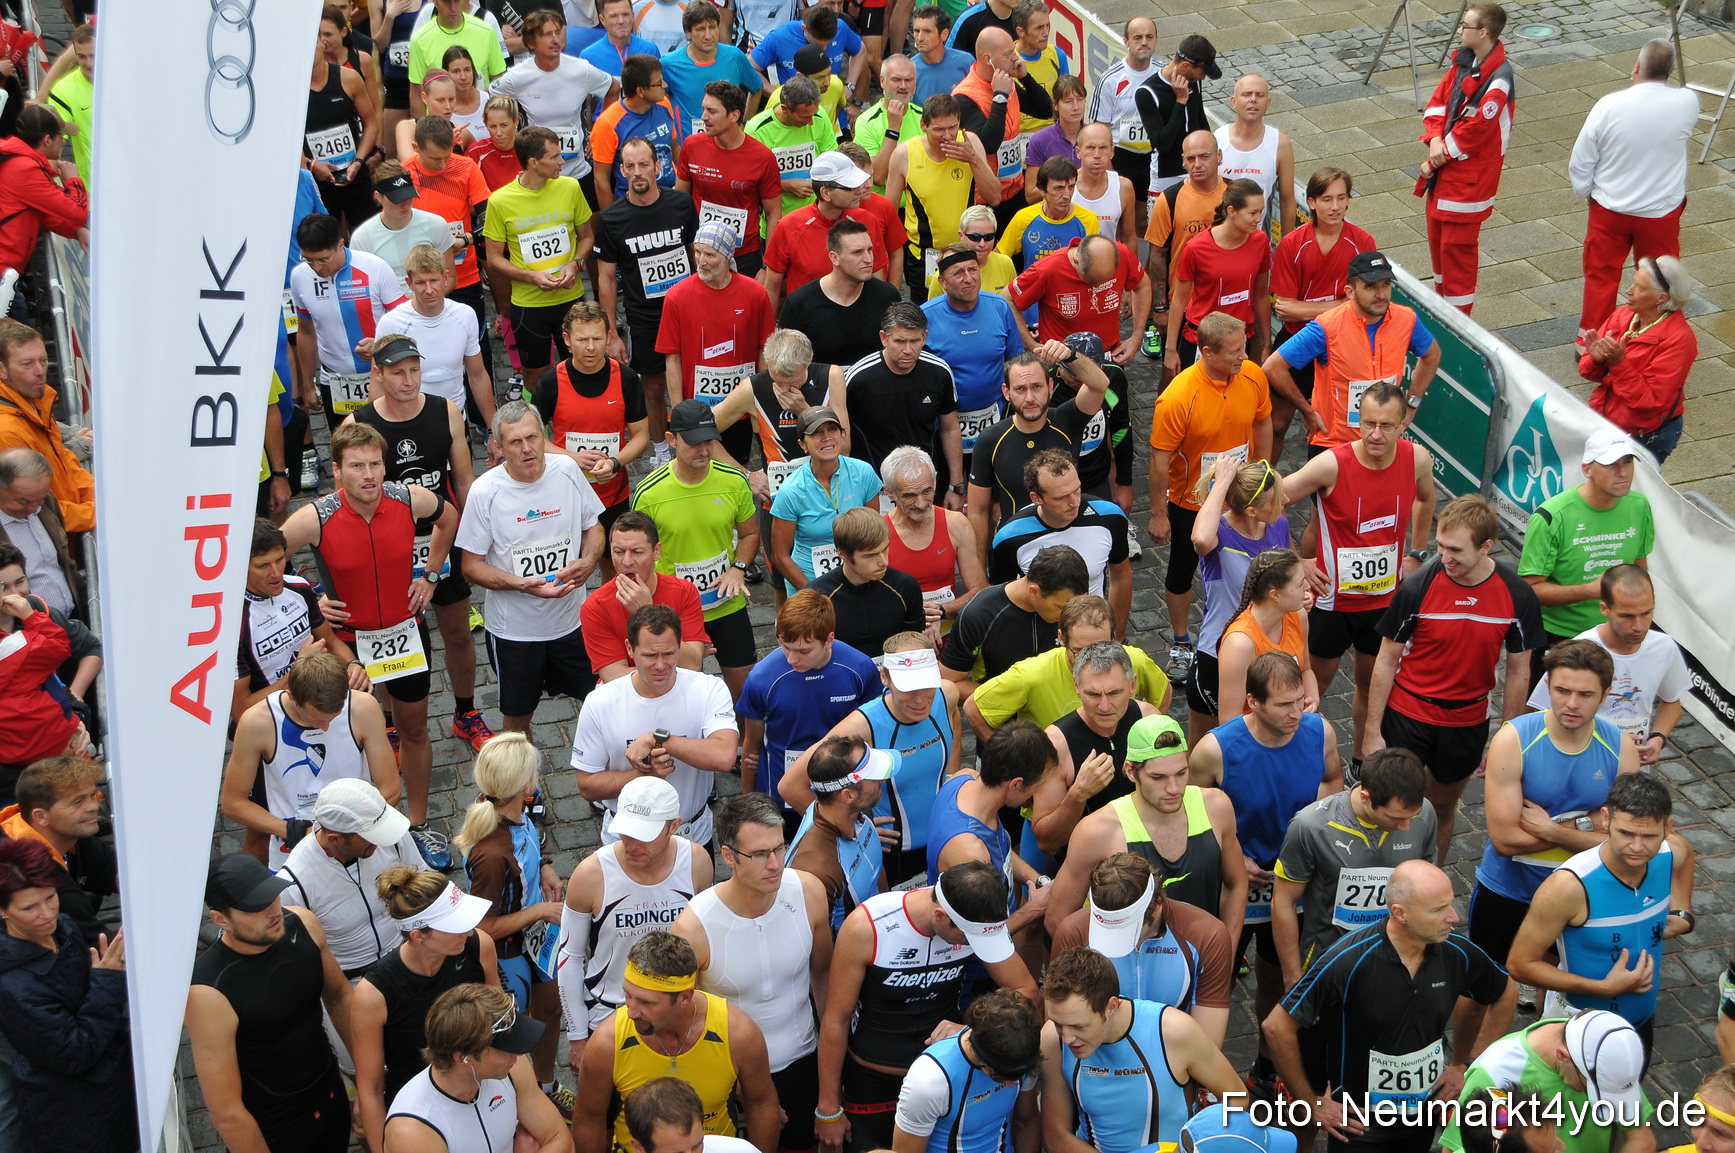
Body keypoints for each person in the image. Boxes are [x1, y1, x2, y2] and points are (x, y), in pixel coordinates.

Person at [1263, 860, 1515, 1153]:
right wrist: (1311, 1101)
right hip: (1360, 1123)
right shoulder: (1348, 960)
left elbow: (1503, 991)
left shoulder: (1457, 952)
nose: (1454, 917)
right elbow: (1276, 1027)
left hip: (1423, 1112)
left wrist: (1465, 1066)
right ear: (1400, 913)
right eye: (1438, 910)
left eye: (1450, 904)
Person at [814, 862, 1038, 1153]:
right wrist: (828, 1108)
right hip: (873, 1083)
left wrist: (976, 1031)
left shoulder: (977, 922)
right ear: (940, 916)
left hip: (947, 1078)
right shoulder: (868, 926)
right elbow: (836, 1019)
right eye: (970, 938)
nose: (975, 945)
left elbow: (1027, 993)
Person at [1364, 496, 1543, 858]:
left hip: (1466, 722)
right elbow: (1386, 659)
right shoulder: (1416, 587)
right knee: (1392, 809)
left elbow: (1520, 670)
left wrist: (1508, 740)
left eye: (1456, 551)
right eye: (1440, 547)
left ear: (1486, 547)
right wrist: (1371, 731)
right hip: (1408, 715)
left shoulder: (1517, 595)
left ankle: (1431, 876)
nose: (1444, 559)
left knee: (1442, 809)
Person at [345, 334, 492, 751]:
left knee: (459, 634)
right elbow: (345, 499)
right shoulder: (358, 425)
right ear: (378, 373)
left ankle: (466, 712)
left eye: (414, 370)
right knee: (390, 643)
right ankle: (392, 723)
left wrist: (476, 534)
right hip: (388, 552)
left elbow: (463, 479)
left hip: (442, 540)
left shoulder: (444, 411)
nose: (408, 381)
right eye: (397, 372)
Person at [1280, 382, 1437, 763]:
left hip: (1384, 601)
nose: (1376, 435)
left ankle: (1359, 763)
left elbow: (1426, 497)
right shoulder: (1332, 463)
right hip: (1333, 603)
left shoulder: (1416, 459)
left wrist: (1415, 552)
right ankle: (1299, 761)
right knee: (1311, 688)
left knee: (1371, 686)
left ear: (1403, 425)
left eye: (1386, 425)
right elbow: (1271, 501)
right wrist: (1294, 560)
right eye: (1368, 424)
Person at [673, 793, 834, 1153]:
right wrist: (752, 1094)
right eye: (760, 854)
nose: (775, 863)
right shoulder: (694, 927)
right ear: (728, 856)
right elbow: (685, 1018)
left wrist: (831, 1075)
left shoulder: (808, 891)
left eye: (780, 848)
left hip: (802, 1058)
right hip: (731, 1077)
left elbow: (823, 979)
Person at [1469, 640, 1640, 972]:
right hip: (1510, 890)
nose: (1571, 704)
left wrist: (1551, 829)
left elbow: (1627, 842)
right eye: (1562, 691)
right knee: (1481, 987)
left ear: (1605, 695)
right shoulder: (1514, 739)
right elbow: (1505, 841)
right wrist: (1588, 824)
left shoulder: (1620, 748)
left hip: (1582, 892)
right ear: (1547, 686)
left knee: (1562, 985)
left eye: (1586, 695)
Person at [1508, 773, 1692, 1049]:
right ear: (1606, 819)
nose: (1637, 847)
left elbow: (1687, 856)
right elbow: (1520, 965)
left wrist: (1682, 914)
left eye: (1649, 836)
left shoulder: (1671, 851)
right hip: (1576, 1029)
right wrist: (1603, 988)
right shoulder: (1568, 887)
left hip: (1640, 1023)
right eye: (1626, 833)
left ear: (1668, 828)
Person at [187, 855, 355, 1153]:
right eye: (255, 907)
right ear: (220, 919)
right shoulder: (208, 991)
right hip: (277, 1131)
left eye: (272, 896)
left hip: (330, 1096)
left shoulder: (303, 922)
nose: (272, 910)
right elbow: (227, 1113)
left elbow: (341, 998)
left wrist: (368, 1087)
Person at [458, 399, 608, 731]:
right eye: (515, 442)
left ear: (544, 436)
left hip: (574, 623)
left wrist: (588, 560)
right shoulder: (485, 493)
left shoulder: (567, 471)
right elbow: (471, 566)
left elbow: (594, 527)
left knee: (605, 703)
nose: (527, 449)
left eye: (533, 437)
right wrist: (521, 584)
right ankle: (523, 784)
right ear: (498, 446)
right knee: (516, 723)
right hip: (516, 633)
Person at [572, 930, 783, 1153]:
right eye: (628, 995)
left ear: (685, 997)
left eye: (647, 1002)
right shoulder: (608, 1042)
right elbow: (589, 1119)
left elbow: (761, 1104)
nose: (631, 1011)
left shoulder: (737, 1033)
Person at [781, 631, 964, 885]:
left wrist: (952, 775)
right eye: (908, 689)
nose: (920, 700)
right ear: (885, 677)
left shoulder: (947, 694)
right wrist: (853, 830)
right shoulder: (862, 725)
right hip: (895, 856)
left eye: (925, 684)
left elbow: (954, 718)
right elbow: (790, 786)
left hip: (947, 837)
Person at [1147, 311, 1273, 671]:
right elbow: (1158, 462)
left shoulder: (1252, 376)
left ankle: (1248, 629)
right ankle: (1182, 642)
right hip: (1192, 502)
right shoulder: (1177, 398)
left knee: (1249, 564)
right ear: (1206, 352)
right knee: (1182, 568)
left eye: (1244, 347)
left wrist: (1264, 473)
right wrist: (1159, 514)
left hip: (1241, 495)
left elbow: (1263, 421)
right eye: (1234, 351)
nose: (1243, 357)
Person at [1045, 713, 1244, 934]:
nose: (1173, 788)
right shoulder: (1098, 831)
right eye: (1158, 777)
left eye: (1181, 773)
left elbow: (1236, 885)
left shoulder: (1216, 807)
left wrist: (1225, 954)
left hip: (1202, 961)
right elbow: (1057, 920)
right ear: (1131, 771)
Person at [556, 775, 711, 1053]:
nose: (632, 844)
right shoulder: (590, 874)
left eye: (645, 835)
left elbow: (705, 943)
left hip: (676, 1014)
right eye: (627, 832)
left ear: (674, 826)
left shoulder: (697, 862)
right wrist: (577, 1035)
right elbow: (570, 956)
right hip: (610, 1013)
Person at [452, 734, 568, 1103]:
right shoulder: (490, 855)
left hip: (536, 939)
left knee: (550, 1010)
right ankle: (518, 1101)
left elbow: (529, 841)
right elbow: (481, 927)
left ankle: (547, 1087)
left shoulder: (509, 808)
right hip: (508, 955)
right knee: (511, 1035)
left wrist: (545, 867)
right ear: (525, 784)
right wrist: (539, 911)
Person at [1036, 946, 1243, 1153]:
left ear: (1111, 1007)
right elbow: (1056, 1135)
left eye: (1079, 1027)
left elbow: (1238, 1098)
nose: (1067, 1037)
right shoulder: (1052, 1040)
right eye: (1058, 1024)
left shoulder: (1174, 1031)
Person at [351, 866, 500, 1153]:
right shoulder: (373, 994)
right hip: (419, 1114)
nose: (468, 930)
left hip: (482, 1088)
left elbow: (502, 1025)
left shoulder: (479, 945)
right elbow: (370, 1089)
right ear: (419, 935)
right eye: (457, 925)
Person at [572, 603, 741, 849]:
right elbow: (587, 784)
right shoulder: (600, 701)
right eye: (650, 655)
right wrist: (643, 774)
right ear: (630, 648)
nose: (661, 665)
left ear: (680, 646)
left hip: (689, 838)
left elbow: (725, 757)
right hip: (625, 841)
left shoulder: (708, 689)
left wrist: (658, 740)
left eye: (670, 654)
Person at [1269, 747, 1438, 989]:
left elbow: (1425, 888)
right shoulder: (1311, 827)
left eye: (1413, 815)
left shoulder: (1425, 815)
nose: (1406, 827)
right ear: (1366, 798)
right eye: (1395, 818)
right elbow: (1283, 902)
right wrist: (1293, 978)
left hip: (1396, 960)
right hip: (1329, 962)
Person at [0, 838, 127, 1153]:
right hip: (73, 1115)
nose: (47, 913)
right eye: (29, 907)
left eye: (51, 897)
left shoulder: (64, 926)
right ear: (3, 911)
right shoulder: (12, 984)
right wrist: (107, 981)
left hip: (113, 1089)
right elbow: (74, 1053)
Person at [220, 652, 402, 871]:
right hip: (296, 851)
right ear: (291, 695)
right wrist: (291, 830)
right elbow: (233, 803)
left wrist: (345, 831)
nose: (325, 727)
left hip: (355, 837)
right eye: (315, 719)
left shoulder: (363, 707)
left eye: (333, 718)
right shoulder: (257, 722)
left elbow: (390, 789)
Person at [631, 400, 762, 697]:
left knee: (747, 694)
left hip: (726, 604)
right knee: (681, 695)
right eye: (693, 443)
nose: (703, 450)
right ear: (671, 439)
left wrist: (738, 568)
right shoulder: (649, 493)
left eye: (709, 441)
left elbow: (750, 533)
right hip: (674, 613)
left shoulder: (733, 481)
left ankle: (747, 745)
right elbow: (637, 554)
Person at [1571, 41, 1698, 347]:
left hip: (1609, 210)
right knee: (1659, 281)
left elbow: (1581, 160)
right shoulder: (1688, 101)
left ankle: (1590, 342)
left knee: (1601, 277)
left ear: (1637, 67)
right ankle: (1653, 341)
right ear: (1669, 71)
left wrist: (1587, 192)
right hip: (1659, 213)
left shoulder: (1608, 106)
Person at [1265, 248, 1439, 456]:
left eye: (1386, 285)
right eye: (1371, 287)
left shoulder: (1406, 319)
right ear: (1350, 292)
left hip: (1382, 441)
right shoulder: (1326, 326)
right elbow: (1273, 367)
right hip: (1335, 445)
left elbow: (1432, 354)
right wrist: (1307, 411)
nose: (1381, 295)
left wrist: (1411, 405)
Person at [1048, 852, 1234, 1045]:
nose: (1123, 943)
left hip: (1176, 1056)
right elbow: (1060, 1024)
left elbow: (1207, 1046)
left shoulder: (1208, 936)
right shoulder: (1073, 932)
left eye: (1129, 930)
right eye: (1108, 930)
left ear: (1158, 904)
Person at [1518, 429, 1655, 679]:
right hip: (1561, 638)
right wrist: (1591, 590)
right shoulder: (1552, 516)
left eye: (1627, 462)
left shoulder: (1639, 505)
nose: (1623, 472)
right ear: (1587, 469)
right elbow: (1530, 590)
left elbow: (1639, 569)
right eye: (1611, 465)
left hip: (1617, 633)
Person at [591, 140, 697, 454]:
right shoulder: (611, 220)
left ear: (658, 167)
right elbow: (606, 279)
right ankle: (661, 449)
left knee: (692, 381)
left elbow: (697, 253)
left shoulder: (681, 204)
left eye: (644, 164)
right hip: (645, 317)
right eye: (630, 166)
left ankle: (695, 440)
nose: (638, 173)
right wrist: (611, 333)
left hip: (688, 312)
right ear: (621, 171)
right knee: (652, 386)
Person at [738, 590, 880, 825]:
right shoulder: (761, 678)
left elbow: (874, 736)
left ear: (829, 640)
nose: (792, 659)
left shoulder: (860, 669)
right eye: (785, 646)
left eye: (804, 651)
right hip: (781, 799)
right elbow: (752, 746)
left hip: (842, 791)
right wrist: (749, 808)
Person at [1266, 168, 1378, 455]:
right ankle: (1263, 490)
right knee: (1276, 424)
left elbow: (1364, 306)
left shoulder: (1363, 243)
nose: (1336, 207)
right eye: (1327, 199)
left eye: (1342, 198)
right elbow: (1286, 309)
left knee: (1332, 433)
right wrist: (1343, 306)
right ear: (1312, 202)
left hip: (1341, 350)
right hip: (1297, 346)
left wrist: (1310, 309)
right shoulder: (1293, 243)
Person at [1527, 564, 1687, 766]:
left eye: (1646, 613)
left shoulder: (1664, 647)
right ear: (1605, 609)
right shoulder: (1579, 651)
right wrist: (1608, 742)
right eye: (1626, 616)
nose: (1638, 626)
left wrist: (1658, 738)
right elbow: (1539, 715)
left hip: (1632, 768)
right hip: (1578, 764)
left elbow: (1672, 702)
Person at [386, 987, 574, 1153]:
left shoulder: (513, 1068)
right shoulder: (413, 1130)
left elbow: (561, 1140)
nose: (517, 1055)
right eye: (504, 1048)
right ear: (462, 1057)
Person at [654, 224, 776, 480]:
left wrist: (763, 399)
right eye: (697, 252)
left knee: (736, 466)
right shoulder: (677, 296)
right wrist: (678, 411)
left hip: (740, 406)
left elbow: (764, 348)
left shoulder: (754, 293)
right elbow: (672, 357)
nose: (701, 261)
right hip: (697, 407)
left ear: (728, 256)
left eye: (710, 255)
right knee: (700, 468)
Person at [529, 302, 653, 551]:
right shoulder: (551, 382)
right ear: (566, 339)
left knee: (613, 562)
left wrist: (615, 462)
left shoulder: (627, 379)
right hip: (565, 493)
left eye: (597, 339)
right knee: (568, 563)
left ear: (608, 338)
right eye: (582, 339)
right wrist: (571, 458)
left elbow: (641, 436)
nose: (590, 347)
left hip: (613, 493)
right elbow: (532, 438)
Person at [1182, 457, 1291, 741]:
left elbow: (1289, 570)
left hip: (1268, 649)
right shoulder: (1219, 532)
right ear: (1252, 510)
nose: (1286, 499)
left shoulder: (1278, 524)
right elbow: (1201, 541)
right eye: (1276, 498)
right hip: (1217, 654)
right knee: (1208, 744)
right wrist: (1222, 483)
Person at [1417, 3, 1513, 315]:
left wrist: (1435, 159)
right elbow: (1437, 103)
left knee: (1456, 258)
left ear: (1483, 32)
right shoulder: (1464, 64)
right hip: (1446, 179)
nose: (1460, 30)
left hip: (1467, 185)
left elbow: (1474, 133)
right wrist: (1434, 139)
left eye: (1466, 25)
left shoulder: (1498, 81)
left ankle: (1460, 324)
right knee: (1440, 255)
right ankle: (1444, 316)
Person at [1439, 1013, 1654, 1153]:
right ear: (1563, 1056)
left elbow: (1641, 1138)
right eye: (1593, 1089)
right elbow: (1457, 1148)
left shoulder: (1606, 1054)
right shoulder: (1495, 1075)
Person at [289, 214, 409, 464]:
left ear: (340, 244)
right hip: (335, 380)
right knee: (347, 452)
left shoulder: (374, 268)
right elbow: (306, 330)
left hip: (379, 375)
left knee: (389, 448)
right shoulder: (300, 276)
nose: (317, 268)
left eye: (323, 259)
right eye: (309, 260)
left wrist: (380, 345)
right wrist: (307, 384)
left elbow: (404, 321)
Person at [277, 778, 425, 980]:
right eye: (370, 836)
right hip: (352, 982)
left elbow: (423, 883)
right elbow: (294, 957)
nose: (380, 840)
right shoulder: (294, 884)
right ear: (334, 838)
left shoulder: (388, 834)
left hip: (410, 958)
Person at [484, 126, 594, 376]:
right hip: (528, 305)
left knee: (581, 369)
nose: (562, 161)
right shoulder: (500, 201)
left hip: (571, 298)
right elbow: (493, 259)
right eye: (554, 156)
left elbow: (587, 237)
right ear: (534, 162)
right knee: (534, 377)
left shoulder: (571, 187)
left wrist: (575, 264)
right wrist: (531, 276)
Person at [968, 345, 1109, 536]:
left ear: (1050, 386)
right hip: (1016, 543)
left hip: (1069, 537)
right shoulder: (990, 439)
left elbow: (1100, 384)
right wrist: (977, 564)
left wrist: (1070, 355)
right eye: (1020, 389)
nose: (1029, 398)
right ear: (1006, 392)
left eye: (1036, 387)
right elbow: (978, 511)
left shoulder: (1066, 420)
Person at [989, 450, 1130, 635]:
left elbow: (1121, 576)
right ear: (1036, 498)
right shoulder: (1008, 539)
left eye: (1077, 490)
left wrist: (1117, 635)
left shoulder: (1110, 517)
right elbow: (1001, 599)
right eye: (1061, 497)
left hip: (1092, 631)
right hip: (1037, 634)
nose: (1074, 503)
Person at [892, 988, 1042, 1153]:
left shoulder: (1023, 1050)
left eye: (1018, 1075)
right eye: (1000, 1075)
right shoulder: (929, 1080)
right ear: (980, 1055)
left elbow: (1026, 1120)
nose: (1011, 1083)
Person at [885, 98, 1002, 305]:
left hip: (967, 251)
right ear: (924, 125)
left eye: (952, 127)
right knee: (928, 314)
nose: (947, 136)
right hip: (924, 256)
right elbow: (889, 213)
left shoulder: (970, 142)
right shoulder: (905, 154)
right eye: (939, 129)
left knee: (969, 308)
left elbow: (994, 197)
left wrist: (973, 159)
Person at [1581, 257, 1698, 463]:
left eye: (1639, 287)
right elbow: (1587, 371)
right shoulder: (1624, 314)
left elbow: (1649, 401)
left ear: (1661, 298)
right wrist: (1596, 360)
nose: (1628, 290)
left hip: (1642, 434)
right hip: (1607, 420)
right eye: (1633, 282)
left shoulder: (1679, 340)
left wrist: (1618, 363)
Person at [491, 9, 618, 195]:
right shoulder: (517, 76)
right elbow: (492, 95)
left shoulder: (580, 69)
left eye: (558, 33)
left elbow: (613, 88)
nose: (555, 39)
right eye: (547, 34)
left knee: (587, 224)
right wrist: (513, 133)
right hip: (539, 174)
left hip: (578, 171)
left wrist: (598, 131)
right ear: (531, 42)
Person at [843, 301, 965, 489]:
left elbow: (950, 429)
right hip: (873, 487)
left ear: (925, 337)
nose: (908, 350)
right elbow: (840, 432)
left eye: (915, 341)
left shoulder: (939, 372)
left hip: (925, 484)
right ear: (884, 338)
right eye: (900, 341)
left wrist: (956, 485)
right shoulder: (858, 377)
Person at [762, 152, 902, 313]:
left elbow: (877, 280)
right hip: (807, 324)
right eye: (850, 186)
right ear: (825, 193)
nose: (859, 190)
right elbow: (772, 287)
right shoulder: (789, 226)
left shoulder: (868, 221)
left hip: (859, 318)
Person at [374, 239, 493, 426]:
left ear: (446, 278)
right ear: (409, 283)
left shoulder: (465, 315)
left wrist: (493, 429)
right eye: (421, 282)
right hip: (410, 424)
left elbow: (477, 375)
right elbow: (378, 381)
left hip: (455, 420)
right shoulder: (391, 323)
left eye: (434, 280)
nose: (429, 290)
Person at [940, 544, 1088, 695]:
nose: (1068, 616)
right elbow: (950, 683)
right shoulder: (979, 615)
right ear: (1034, 592)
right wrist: (1014, 697)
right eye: (1060, 607)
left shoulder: (1075, 612)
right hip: (1003, 715)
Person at [0, 757, 114, 952]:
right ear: (41, 816)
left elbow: (125, 874)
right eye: (78, 801)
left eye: (92, 795)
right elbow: (106, 948)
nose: (93, 807)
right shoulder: (33, 879)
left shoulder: (67, 834)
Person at [674, 81, 785, 278]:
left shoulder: (762, 157)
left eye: (712, 111)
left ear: (734, 115)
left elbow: (773, 213)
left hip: (744, 254)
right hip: (701, 251)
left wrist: (768, 265)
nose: (703, 117)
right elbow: (679, 202)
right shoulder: (691, 146)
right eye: (703, 109)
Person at [582, 512, 710, 679]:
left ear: (656, 552)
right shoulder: (595, 607)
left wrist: (647, 610)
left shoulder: (684, 591)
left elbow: (692, 665)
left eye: (637, 552)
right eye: (619, 552)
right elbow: (615, 678)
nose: (627, 561)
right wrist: (675, 661)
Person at [786, 733, 896, 926]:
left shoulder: (857, 809)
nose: (882, 780)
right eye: (873, 776)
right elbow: (818, 948)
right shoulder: (817, 870)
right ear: (848, 795)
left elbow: (877, 874)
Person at [883, 445, 988, 645]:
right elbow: (872, 600)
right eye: (909, 495)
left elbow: (980, 589)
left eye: (927, 491)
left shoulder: (955, 523)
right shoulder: (879, 534)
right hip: (899, 644)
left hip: (948, 639)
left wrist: (942, 611)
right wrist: (918, 615)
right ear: (889, 492)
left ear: (935, 479)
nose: (921, 503)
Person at [1165, 180, 1272, 377]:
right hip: (1202, 341)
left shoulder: (1261, 242)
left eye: (1261, 211)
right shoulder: (1196, 248)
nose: (1259, 219)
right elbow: (1179, 300)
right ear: (1231, 211)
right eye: (1253, 213)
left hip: (1240, 341)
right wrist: (1171, 350)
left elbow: (1261, 294)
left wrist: (1266, 343)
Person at [1140, 130, 1224, 366]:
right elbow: (1157, 255)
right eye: (1190, 158)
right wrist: (1159, 308)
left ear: (1219, 156)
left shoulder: (1234, 196)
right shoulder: (1170, 199)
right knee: (1175, 371)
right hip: (1183, 306)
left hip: (1225, 303)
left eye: (1204, 156)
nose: (1197, 164)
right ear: (1183, 161)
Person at [951, 28, 1052, 226]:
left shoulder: (1007, 83)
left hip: (1016, 188)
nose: (1015, 58)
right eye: (1008, 54)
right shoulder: (965, 96)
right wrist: (999, 97)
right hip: (987, 201)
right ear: (987, 59)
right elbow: (989, 143)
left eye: (1013, 51)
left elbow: (1045, 110)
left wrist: (1025, 77)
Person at [0, 323, 93, 533]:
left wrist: (101, 499)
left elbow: (66, 464)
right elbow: (37, 510)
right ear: (1, 370)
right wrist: (99, 513)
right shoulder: (7, 432)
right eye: (27, 364)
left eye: (43, 360)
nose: (40, 371)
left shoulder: (34, 403)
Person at [1006, 234, 1150, 365]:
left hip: (1108, 357)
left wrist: (1136, 337)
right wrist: (1031, 345)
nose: (1098, 288)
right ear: (1076, 261)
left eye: (1105, 281)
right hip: (1062, 362)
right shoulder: (1046, 269)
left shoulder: (1123, 253)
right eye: (1092, 281)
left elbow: (1143, 285)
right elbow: (1007, 299)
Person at [0, 587, 88, 801]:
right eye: (3, 586)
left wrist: (78, 717)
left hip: (33, 760)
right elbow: (58, 644)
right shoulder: (16, 646)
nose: (11, 593)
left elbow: (57, 689)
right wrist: (31, 617)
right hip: (56, 754)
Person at [779, 219, 905, 366]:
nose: (868, 259)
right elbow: (785, 363)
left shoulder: (887, 296)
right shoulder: (800, 304)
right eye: (857, 252)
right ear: (834, 257)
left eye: (869, 250)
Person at [808, 506, 926, 659]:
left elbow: (914, 648)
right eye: (870, 556)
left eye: (885, 549)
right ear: (843, 554)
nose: (883, 561)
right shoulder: (818, 598)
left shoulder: (905, 587)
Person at [0, 107, 87, 286]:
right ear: (47, 140)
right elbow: (78, 212)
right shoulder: (25, 169)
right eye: (61, 137)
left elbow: (43, 213)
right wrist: (73, 180)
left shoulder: (16, 159)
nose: (63, 142)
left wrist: (76, 230)